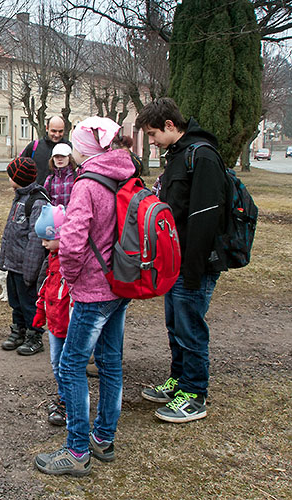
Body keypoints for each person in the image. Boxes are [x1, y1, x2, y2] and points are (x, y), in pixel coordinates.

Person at [34, 117, 133, 477]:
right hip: (120, 282)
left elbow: (73, 243)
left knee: (71, 365)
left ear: (86, 148)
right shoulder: (123, 172)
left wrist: (71, 281)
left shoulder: (87, 183)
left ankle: (77, 450)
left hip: (93, 289)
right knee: (109, 362)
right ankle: (103, 437)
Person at [135, 97, 227, 423]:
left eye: (152, 134)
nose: (151, 141)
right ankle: (179, 380)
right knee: (175, 325)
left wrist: (193, 268)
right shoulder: (177, 155)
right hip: (175, 260)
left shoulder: (201, 156)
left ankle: (194, 394)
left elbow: (206, 217)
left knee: (190, 329)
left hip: (194, 263)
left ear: (170, 126)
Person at [0, 156, 48, 356]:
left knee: (29, 304)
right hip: (14, 264)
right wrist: (4, 261)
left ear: (18, 177)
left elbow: (36, 239)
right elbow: (11, 231)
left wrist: (31, 271)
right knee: (15, 301)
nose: (9, 178)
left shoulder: (36, 201)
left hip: (27, 266)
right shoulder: (19, 196)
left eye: (11, 175)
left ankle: (34, 335)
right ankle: (18, 330)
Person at [32, 204, 71, 426]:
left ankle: (69, 403)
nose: (43, 244)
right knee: (56, 363)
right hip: (55, 323)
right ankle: (63, 396)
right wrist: (41, 312)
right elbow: (47, 287)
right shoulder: (53, 259)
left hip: (68, 323)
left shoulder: (70, 261)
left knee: (67, 365)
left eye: (47, 239)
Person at [19, 116, 71, 185]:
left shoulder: (69, 148)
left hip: (60, 194)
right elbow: (19, 168)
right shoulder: (34, 146)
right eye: (54, 131)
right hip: (36, 193)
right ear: (47, 128)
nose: (57, 135)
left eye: (60, 131)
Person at [42, 143, 77, 207]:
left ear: (69, 158)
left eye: (63, 156)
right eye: (56, 156)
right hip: (54, 216)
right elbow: (44, 201)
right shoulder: (49, 180)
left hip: (73, 215)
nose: (59, 159)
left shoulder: (76, 177)